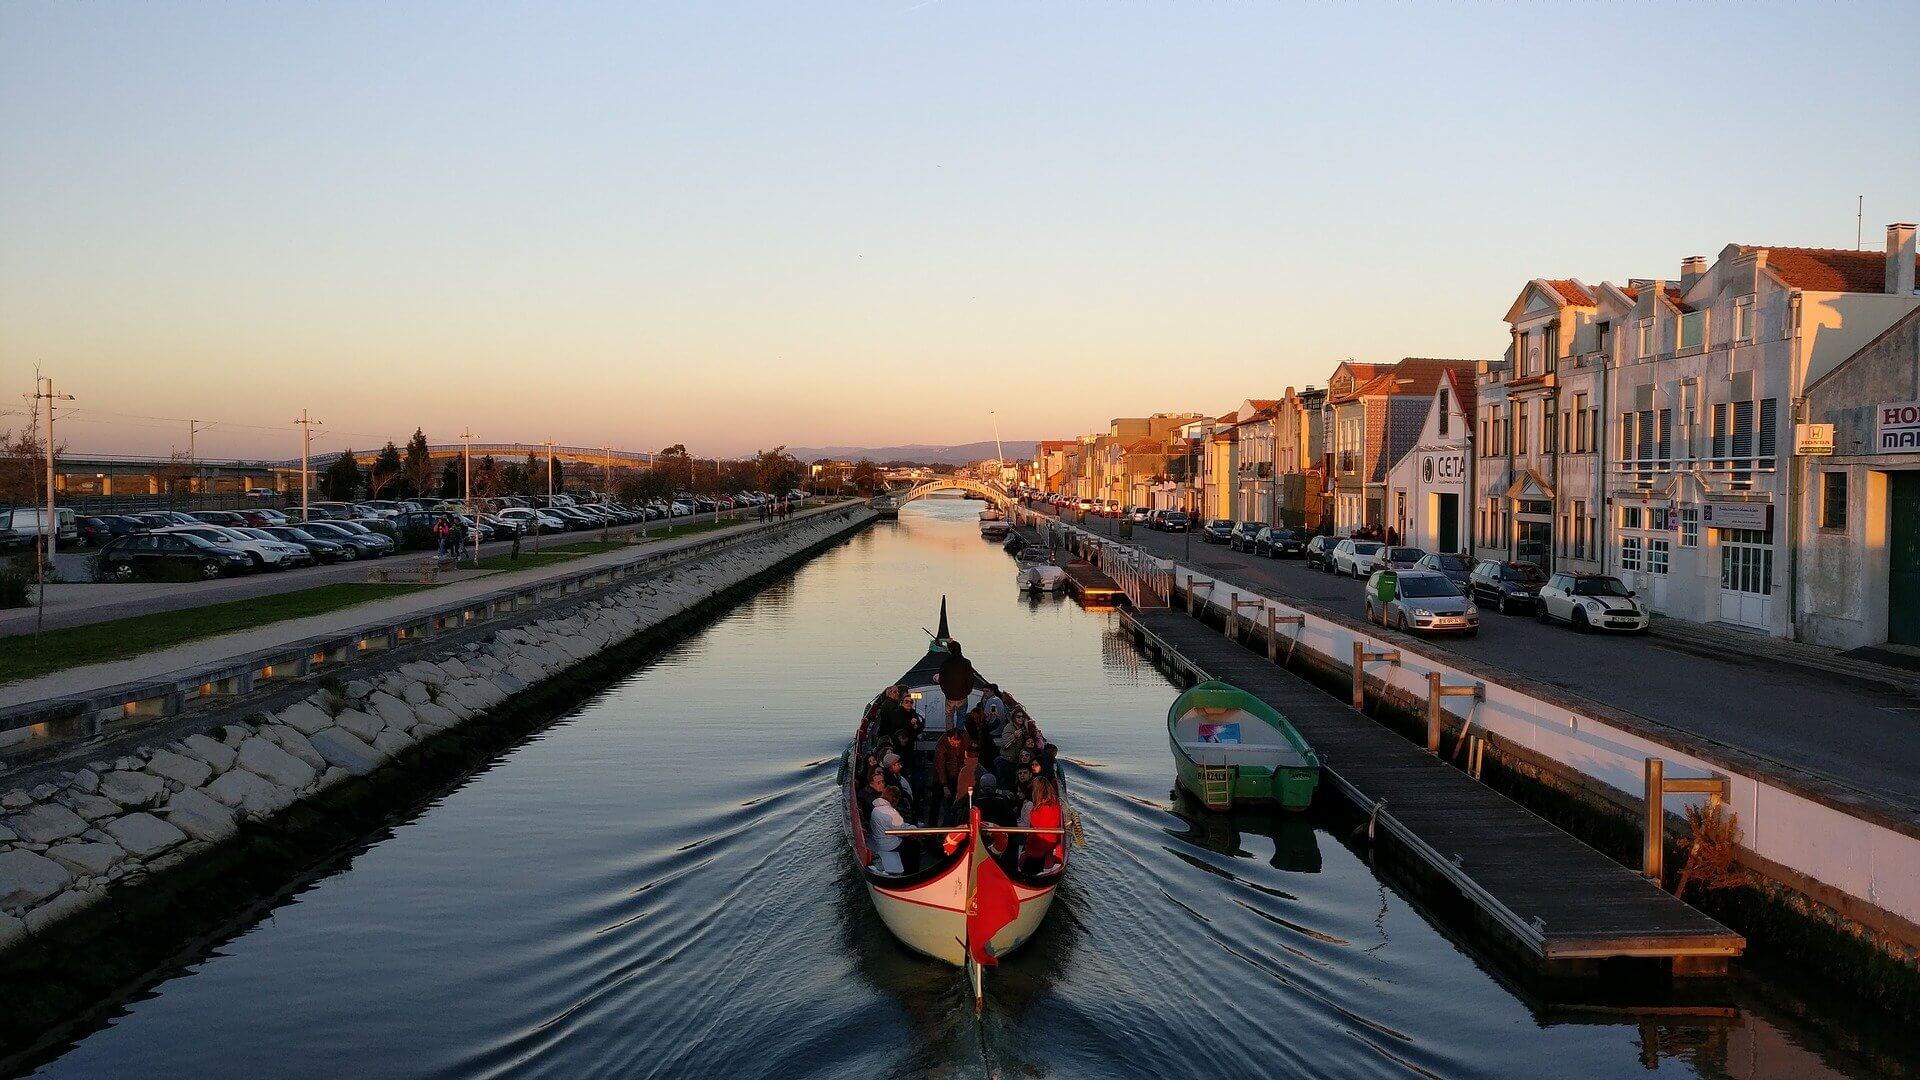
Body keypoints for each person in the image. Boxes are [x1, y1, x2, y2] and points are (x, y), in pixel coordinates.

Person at [1019, 775, 1063, 877]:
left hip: (1038, 850)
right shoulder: (1054, 804)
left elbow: (1036, 833)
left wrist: (1027, 851)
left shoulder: (1039, 809)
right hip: (1047, 847)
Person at [869, 785, 907, 875]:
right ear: (894, 799)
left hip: (880, 843)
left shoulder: (875, 809)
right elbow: (903, 831)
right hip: (892, 846)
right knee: (913, 846)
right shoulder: (891, 812)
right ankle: (911, 872)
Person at [932, 725, 967, 825]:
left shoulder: (965, 740)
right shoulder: (941, 745)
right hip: (942, 775)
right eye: (952, 742)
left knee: (952, 802)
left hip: (956, 774)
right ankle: (933, 825)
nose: (955, 744)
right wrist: (944, 785)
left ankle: (952, 823)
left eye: (957, 742)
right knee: (936, 800)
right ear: (948, 738)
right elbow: (940, 766)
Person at [937, 640, 976, 728]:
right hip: (962, 696)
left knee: (949, 716)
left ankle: (950, 734)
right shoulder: (966, 662)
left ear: (950, 650)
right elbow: (970, 679)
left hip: (949, 696)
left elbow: (942, 680)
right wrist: (967, 692)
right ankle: (960, 735)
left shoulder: (945, 663)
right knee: (961, 716)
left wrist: (945, 691)